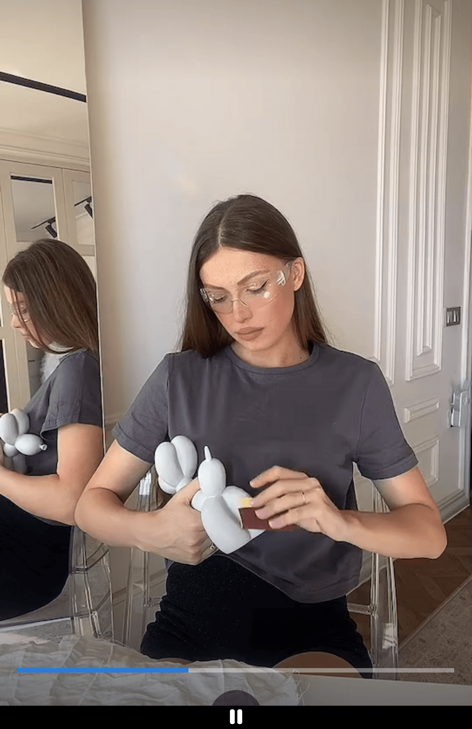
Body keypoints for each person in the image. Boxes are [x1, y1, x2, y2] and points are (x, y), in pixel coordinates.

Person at [76, 193, 445, 679]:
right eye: (219, 297)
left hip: (312, 620)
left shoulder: (355, 384)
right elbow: (90, 504)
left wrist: (340, 522)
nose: (238, 315)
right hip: (191, 617)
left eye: (255, 288)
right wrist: (150, 532)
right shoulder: (178, 379)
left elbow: (430, 534)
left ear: (295, 274)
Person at [0, 239, 104, 619]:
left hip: (30, 555)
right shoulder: (66, 364)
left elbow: (71, 501)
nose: (13, 322)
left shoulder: (77, 370)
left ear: (56, 303)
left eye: (23, 309)